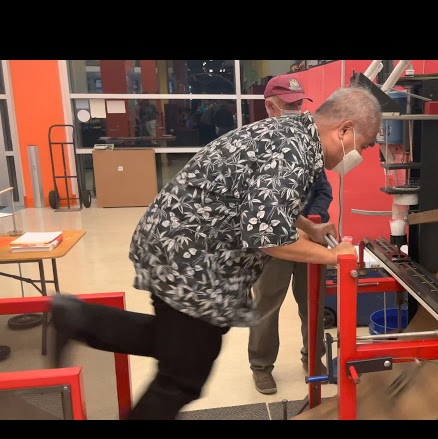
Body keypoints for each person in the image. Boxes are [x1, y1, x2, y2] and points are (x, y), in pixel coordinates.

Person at [48, 85, 382, 420]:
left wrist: (310, 229)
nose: (360, 155)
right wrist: (335, 255)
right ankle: (78, 319)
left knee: (178, 344)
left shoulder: (295, 136)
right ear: (345, 130)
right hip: (189, 255)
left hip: (181, 245)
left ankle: (76, 318)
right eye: (363, 146)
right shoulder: (294, 151)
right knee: (183, 377)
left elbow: (256, 197)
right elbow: (267, 236)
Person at [249, 73, 333, 395]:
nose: (296, 109)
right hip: (272, 243)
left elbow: (323, 188)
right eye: (289, 104)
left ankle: (313, 359)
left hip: (310, 238)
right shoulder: (255, 144)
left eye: (299, 104)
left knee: (313, 304)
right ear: (270, 106)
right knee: (267, 304)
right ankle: (261, 366)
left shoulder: (307, 141)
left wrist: (317, 217)